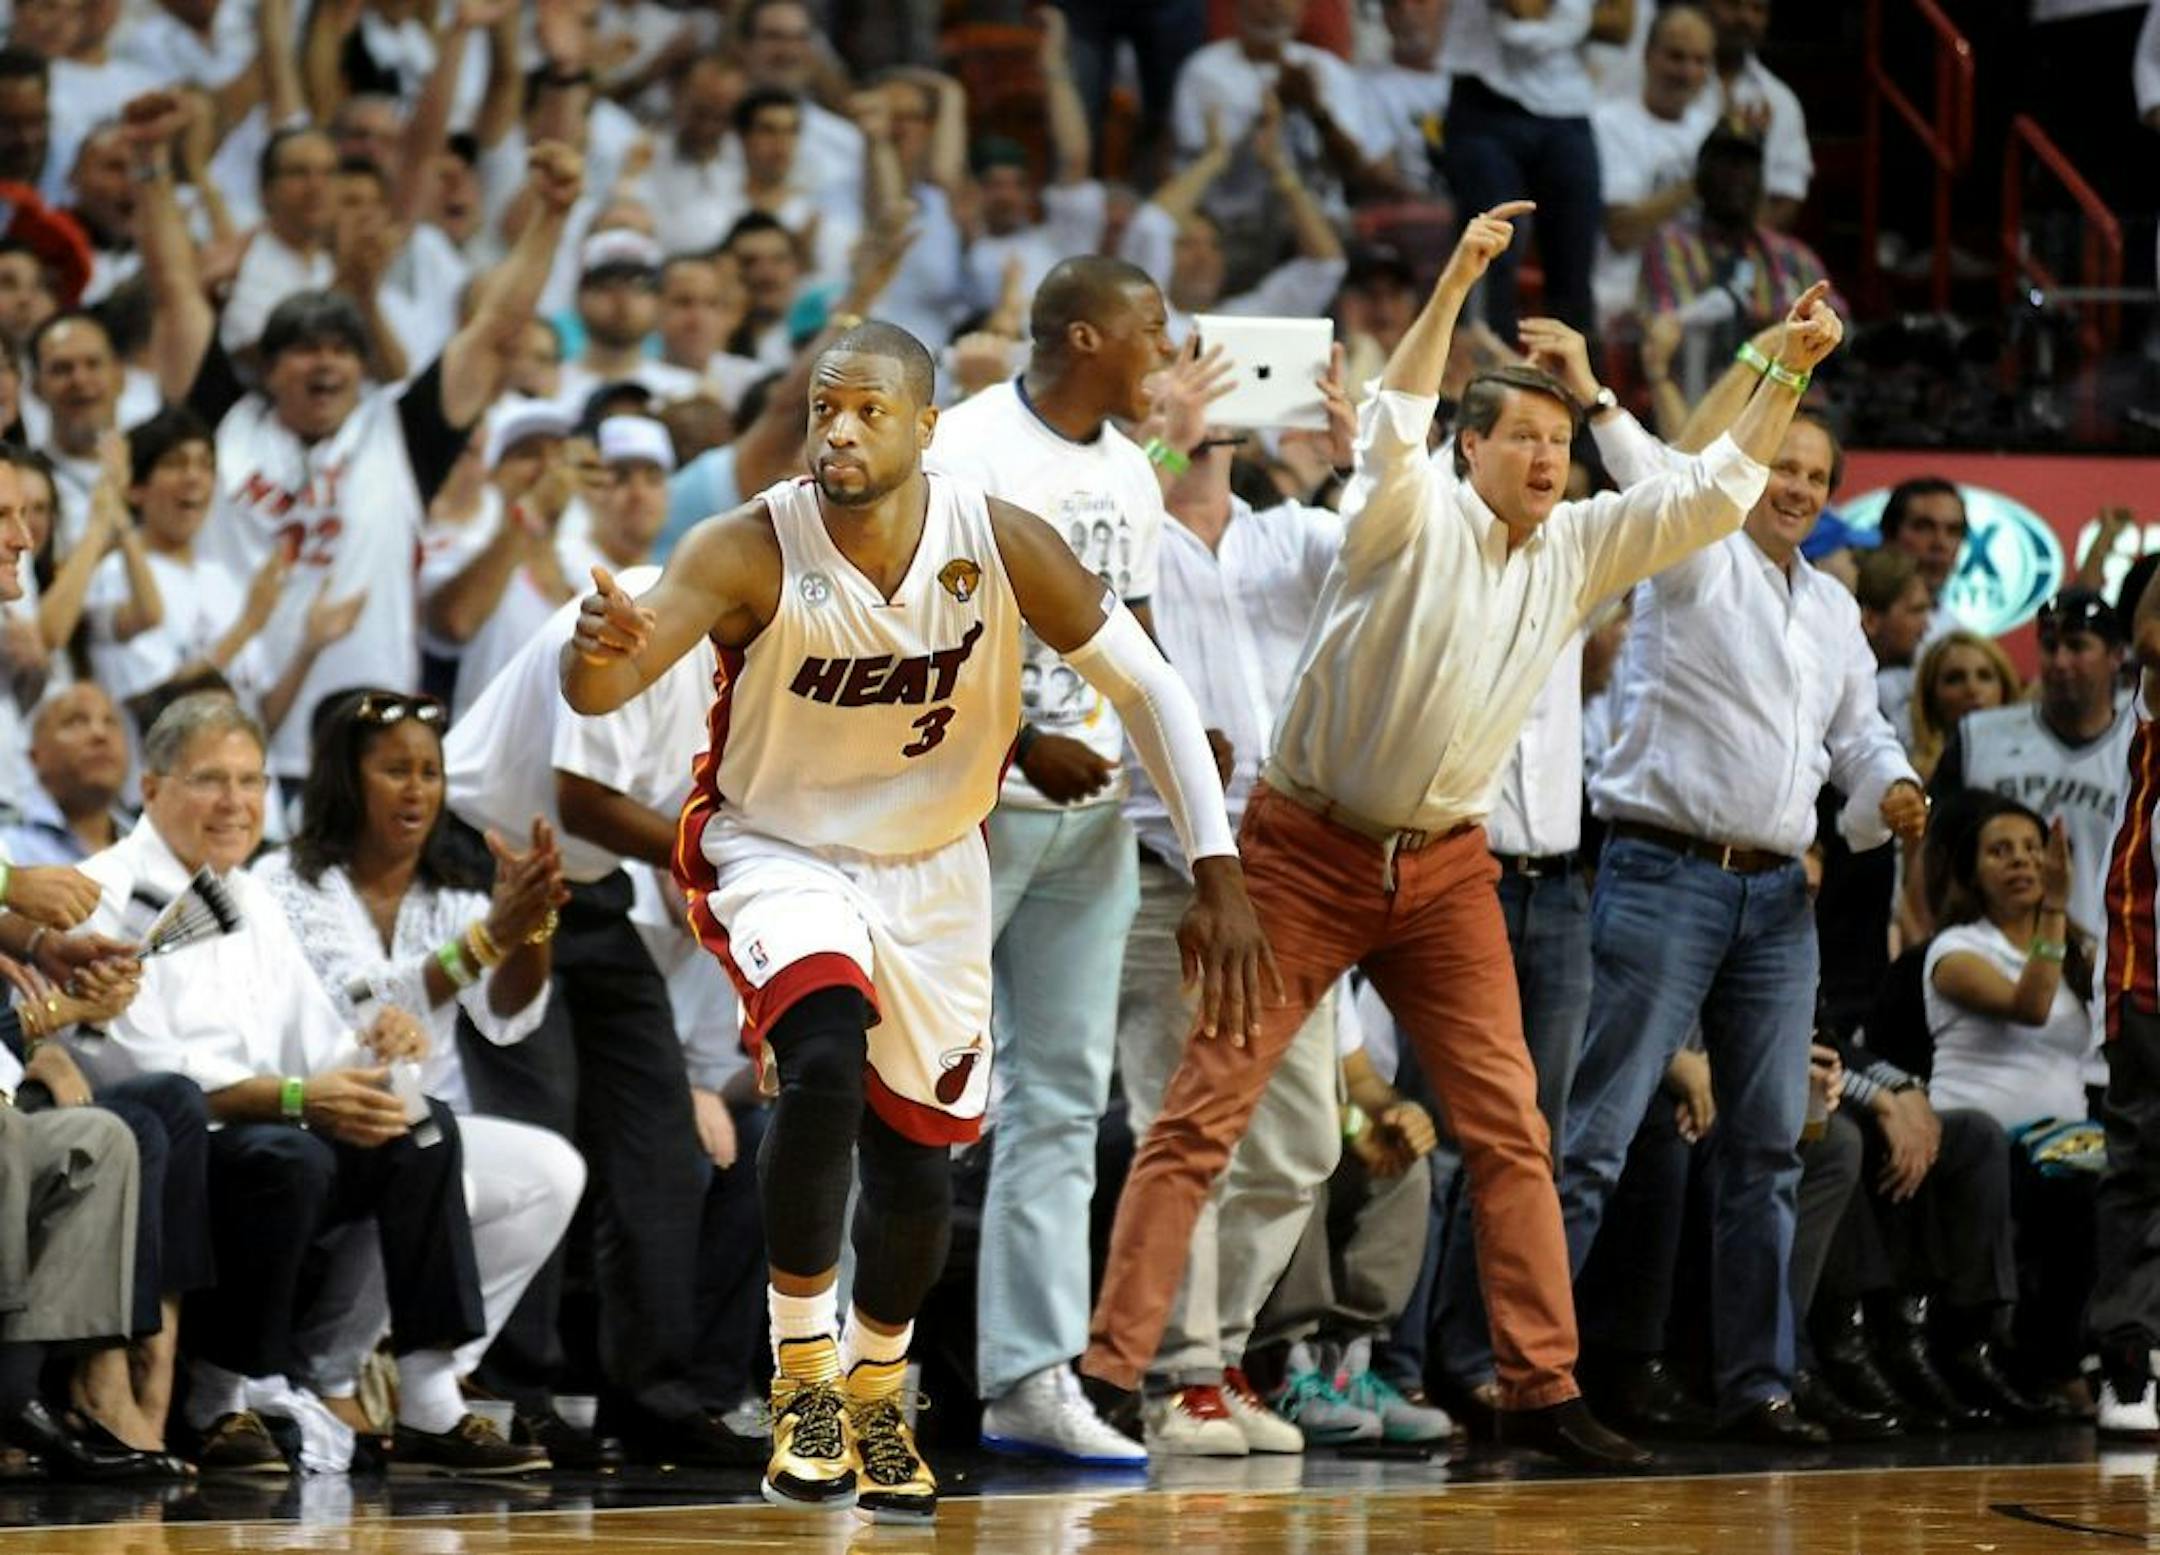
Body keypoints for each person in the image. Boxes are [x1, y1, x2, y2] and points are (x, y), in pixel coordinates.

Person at [1081, 203, 1847, 1471]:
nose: (1551, 459)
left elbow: (1718, 492)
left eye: (1561, 440)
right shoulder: (1403, 512)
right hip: (1304, 854)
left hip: (1445, 871)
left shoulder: (1583, 544)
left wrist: (1781, 369)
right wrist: (1456, 278)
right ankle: (1116, 1374)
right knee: (1199, 1115)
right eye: (1527, 439)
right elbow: (1392, 418)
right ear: (1470, 446)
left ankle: (1538, 1387)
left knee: (1514, 1132)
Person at [561, 318, 1269, 1519]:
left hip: (936, 866)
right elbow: (607, 686)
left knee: (916, 1160)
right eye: (823, 408)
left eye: (868, 410)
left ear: (927, 428)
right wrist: (593, 655)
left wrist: (1219, 864)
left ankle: (881, 1383)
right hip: (779, 848)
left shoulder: (995, 538)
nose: (838, 428)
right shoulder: (746, 547)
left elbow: (1150, 684)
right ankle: (803, 1379)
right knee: (824, 1051)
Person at [70, 693, 537, 1474]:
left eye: (252, 781)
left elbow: (317, 1031)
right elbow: (136, 1073)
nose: (237, 802)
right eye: (211, 779)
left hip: (272, 1121)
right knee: (290, 1156)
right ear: (151, 790)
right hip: (176, 1151)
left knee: (423, 1119)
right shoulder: (109, 891)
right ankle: (218, 1398)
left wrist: (374, 1049)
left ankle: (428, 1393)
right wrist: (297, 1098)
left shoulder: (246, 891)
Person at [924, 255, 1202, 1465]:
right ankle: (817, 1364)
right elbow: (917, 625)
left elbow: (1124, 629)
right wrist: (1018, 738)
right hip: (962, 811)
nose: (1170, 345)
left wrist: (1163, 731)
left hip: (1091, 819)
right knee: (905, 1082)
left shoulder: (1137, 471)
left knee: (1063, 1096)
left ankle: (1028, 1380)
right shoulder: (972, 449)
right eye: (1153, 327)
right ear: (1086, 337)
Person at [130, 88, 583, 793]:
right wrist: (153, 162)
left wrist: (551, 217)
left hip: (370, 741)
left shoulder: (398, 428)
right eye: (305, 350)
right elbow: (174, 291)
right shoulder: (226, 418)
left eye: (343, 349)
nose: (327, 364)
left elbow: (496, 328)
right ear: (270, 367)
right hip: (234, 744)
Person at [254, 688, 592, 1463]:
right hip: (315, 1108)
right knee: (428, 1157)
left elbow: (512, 1012)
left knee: (553, 1170)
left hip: (424, 1123)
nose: (417, 789)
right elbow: (362, 1000)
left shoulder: (453, 897)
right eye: (395, 769)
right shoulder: (287, 881)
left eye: (432, 772)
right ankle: (329, 1368)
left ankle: (435, 1376)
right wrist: (486, 937)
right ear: (348, 777)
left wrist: (531, 918)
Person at [443, 572, 732, 1467]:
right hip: (484, 851)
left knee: (658, 1141)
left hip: (594, 879)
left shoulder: (778, 668)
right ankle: (508, 1391)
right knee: (538, 1125)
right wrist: (719, 854)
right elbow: (583, 798)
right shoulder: (638, 616)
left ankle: (650, 1393)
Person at [1929, 589, 2133, 948]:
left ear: (2116, 655)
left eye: (2077, 646)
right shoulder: (1979, 736)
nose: (2060, 661)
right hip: (1988, 962)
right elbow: (1930, 857)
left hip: (2102, 964)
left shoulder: (2140, 749)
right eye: (2050, 645)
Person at [2091, 568, 2160, 1437]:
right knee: (2143, 1166)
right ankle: (2127, 1362)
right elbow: (2150, 636)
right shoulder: (2155, 678)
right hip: (2153, 964)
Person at [1441, 0, 1602, 334]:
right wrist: (1577, 14)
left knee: (1574, 273)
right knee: (1488, 259)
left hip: (1568, 104)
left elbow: (1621, 22)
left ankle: (1573, 382)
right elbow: (1523, 6)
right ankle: (1480, 378)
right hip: (1485, 95)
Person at [1592, 4, 1717, 327]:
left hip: (1699, 299)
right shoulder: (1608, 123)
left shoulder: (1713, 130)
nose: (1687, 72)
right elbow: (1623, 230)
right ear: (1648, 55)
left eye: (1699, 60)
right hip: (1621, 303)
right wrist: (1702, 180)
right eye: (1676, 57)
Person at [2, 682, 131, 865]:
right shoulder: (9, 846)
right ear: (35, 756)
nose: (100, 734)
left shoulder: (152, 846)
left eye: (110, 722)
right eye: (77, 721)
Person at [1907, 631, 2020, 784]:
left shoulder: (2033, 763)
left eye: (1985, 676)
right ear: (1930, 697)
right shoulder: (1909, 778)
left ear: (2004, 689)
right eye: (1955, 679)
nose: (1972, 689)